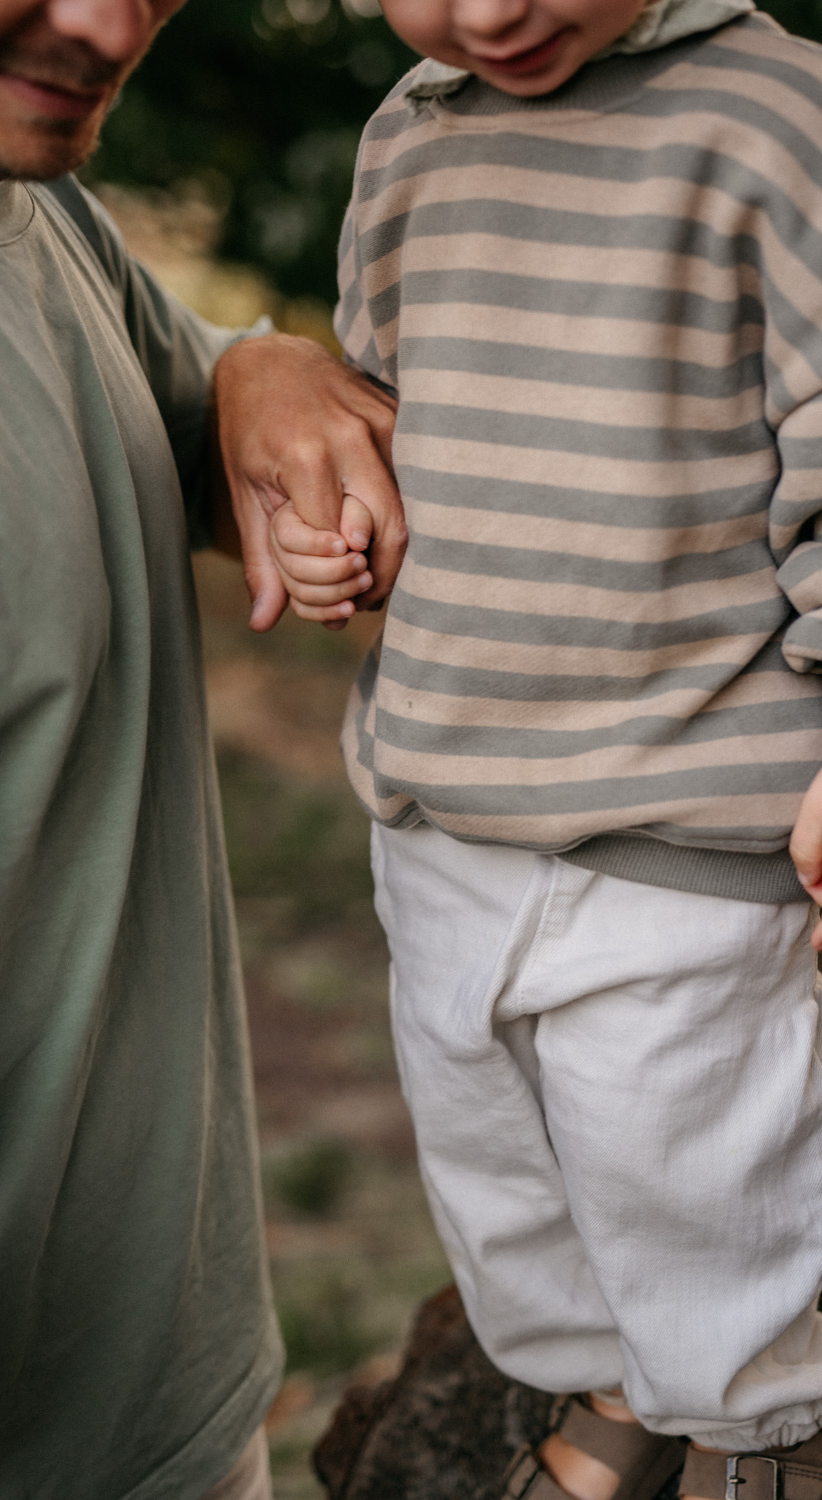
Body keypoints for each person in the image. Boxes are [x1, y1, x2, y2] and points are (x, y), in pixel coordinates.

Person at [0, 3, 406, 1499]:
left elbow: (176, 416)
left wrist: (255, 371)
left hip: (172, 1428)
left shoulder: (6, 186)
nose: (106, 25)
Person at [269, 1, 822, 1498]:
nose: (493, 9)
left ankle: (757, 1440)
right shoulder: (414, 131)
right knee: (508, 1177)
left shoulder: (779, 119)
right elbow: (391, 433)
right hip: (443, 799)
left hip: (685, 821)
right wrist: (345, 544)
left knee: (706, 1191)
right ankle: (611, 1389)